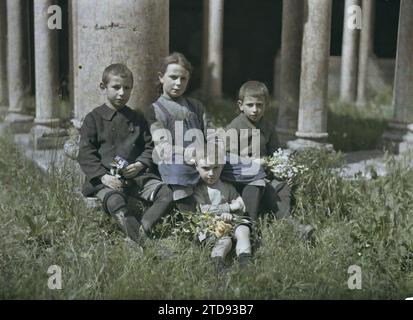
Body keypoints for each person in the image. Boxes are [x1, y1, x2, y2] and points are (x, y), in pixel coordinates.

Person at [78, 63, 174, 244]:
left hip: (136, 177)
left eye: (127, 88)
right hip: (106, 180)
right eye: (116, 87)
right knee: (115, 202)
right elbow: (85, 153)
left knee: (168, 193)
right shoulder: (94, 118)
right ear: (103, 87)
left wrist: (140, 164)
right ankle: (144, 243)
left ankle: (146, 226)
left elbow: (149, 147)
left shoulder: (136, 118)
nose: (122, 93)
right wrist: (103, 177)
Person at [224, 80, 314, 240]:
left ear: (266, 105)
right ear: (240, 105)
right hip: (242, 177)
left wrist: (283, 168)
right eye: (250, 105)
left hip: (265, 174)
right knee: (256, 185)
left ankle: (288, 223)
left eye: (259, 105)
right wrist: (252, 163)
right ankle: (247, 227)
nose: (255, 110)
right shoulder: (235, 127)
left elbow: (275, 152)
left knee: (281, 186)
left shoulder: (268, 127)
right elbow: (229, 158)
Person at [145, 52, 215, 213]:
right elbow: (163, 146)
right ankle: (191, 218)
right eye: (173, 77)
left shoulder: (196, 106)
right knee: (179, 169)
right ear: (161, 77)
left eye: (183, 79)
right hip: (175, 159)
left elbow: (211, 132)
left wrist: (214, 148)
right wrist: (189, 153)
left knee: (234, 164)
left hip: (203, 159)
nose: (178, 83)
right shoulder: (155, 110)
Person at [193, 149, 253, 271]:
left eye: (216, 168)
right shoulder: (198, 189)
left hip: (230, 222)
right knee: (225, 241)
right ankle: (217, 264)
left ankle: (245, 263)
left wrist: (235, 210)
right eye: (205, 168)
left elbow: (240, 204)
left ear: (222, 166)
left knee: (243, 230)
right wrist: (228, 208)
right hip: (209, 225)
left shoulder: (227, 186)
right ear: (196, 166)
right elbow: (203, 210)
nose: (211, 173)